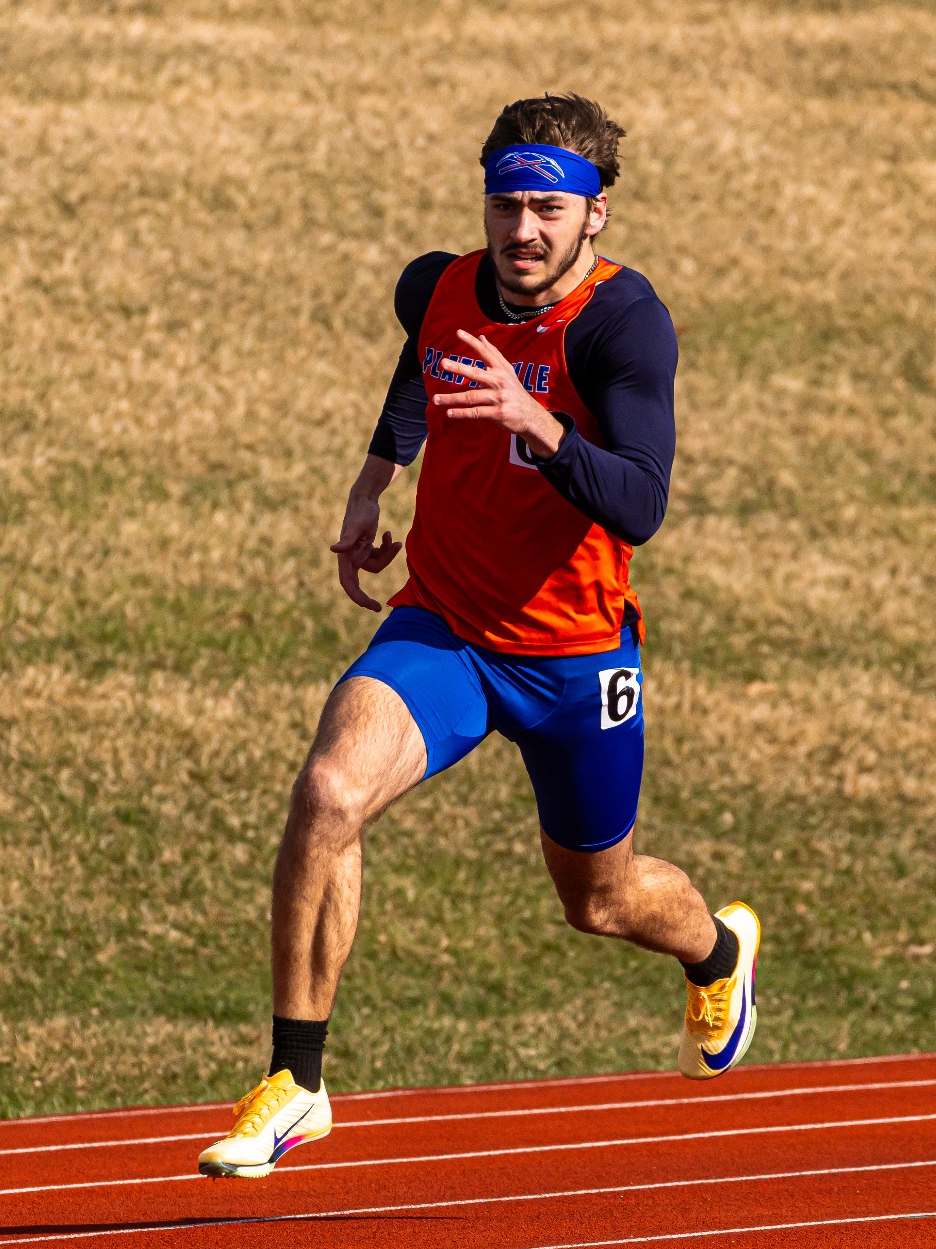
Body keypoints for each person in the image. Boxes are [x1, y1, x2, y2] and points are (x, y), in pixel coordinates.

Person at [199, 94, 760, 1180]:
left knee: (598, 901)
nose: (522, 230)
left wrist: (535, 422)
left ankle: (716, 948)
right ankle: (297, 1081)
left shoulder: (621, 324)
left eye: (549, 208)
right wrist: (374, 482)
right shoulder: (441, 283)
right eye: (506, 203)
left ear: (595, 216)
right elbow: (422, 359)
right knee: (327, 795)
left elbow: (640, 502)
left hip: (575, 659)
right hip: (445, 628)